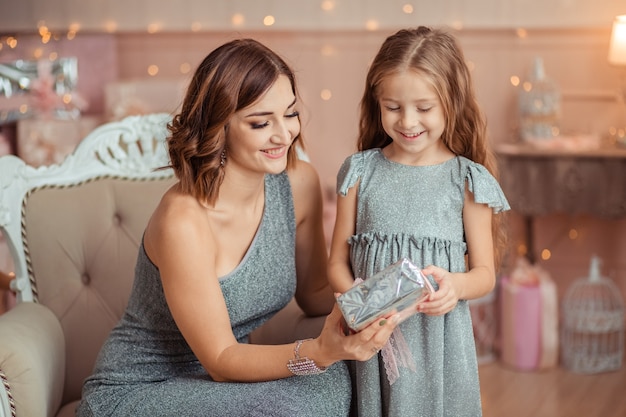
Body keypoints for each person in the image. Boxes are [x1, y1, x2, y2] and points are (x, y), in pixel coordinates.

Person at [77, 38, 400, 417]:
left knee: (338, 383)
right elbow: (221, 359)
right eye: (261, 122)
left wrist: (380, 296)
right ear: (219, 126)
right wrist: (318, 352)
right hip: (142, 389)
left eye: (291, 113)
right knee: (290, 405)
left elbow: (314, 294)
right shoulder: (183, 220)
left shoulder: (299, 184)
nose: (284, 135)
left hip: (228, 387)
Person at [328, 26, 510, 417]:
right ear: (377, 102)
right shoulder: (359, 172)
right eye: (393, 107)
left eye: (424, 108)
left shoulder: (466, 179)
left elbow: (485, 273)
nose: (408, 121)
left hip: (439, 342)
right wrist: (364, 307)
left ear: (451, 103)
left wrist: (455, 286)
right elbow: (336, 263)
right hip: (373, 337)